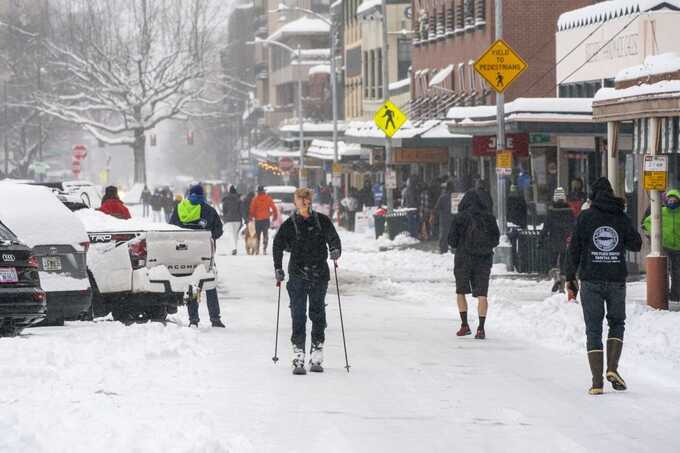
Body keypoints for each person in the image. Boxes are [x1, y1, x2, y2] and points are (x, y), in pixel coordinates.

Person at [565, 177, 641, 395]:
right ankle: (612, 368)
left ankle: (597, 383)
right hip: (616, 279)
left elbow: (574, 250)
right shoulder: (620, 216)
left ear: (592, 196)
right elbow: (636, 244)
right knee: (617, 323)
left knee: (593, 329)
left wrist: (570, 277)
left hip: (590, 280)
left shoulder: (585, 217)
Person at [272, 187, 341, 374]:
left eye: (304, 199)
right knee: (298, 314)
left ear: (309, 201)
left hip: (319, 274)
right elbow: (277, 244)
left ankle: (317, 352)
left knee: (318, 313)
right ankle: (298, 354)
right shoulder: (290, 224)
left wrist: (335, 250)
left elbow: (334, 239)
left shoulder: (322, 221)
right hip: (297, 274)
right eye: (299, 199)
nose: (301, 202)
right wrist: (278, 267)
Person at [169, 183, 225, 328]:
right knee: (209, 283)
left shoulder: (180, 208)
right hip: (205, 252)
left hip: (184, 252)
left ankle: (193, 319)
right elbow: (218, 231)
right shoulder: (209, 210)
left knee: (191, 284)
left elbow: (170, 228)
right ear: (203, 195)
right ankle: (215, 319)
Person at [448, 190, 500, 340]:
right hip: (483, 259)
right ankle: (481, 328)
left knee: (461, 291)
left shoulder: (460, 218)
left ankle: (464, 325)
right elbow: (495, 240)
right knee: (482, 294)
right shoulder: (489, 218)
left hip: (463, 258)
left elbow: (451, 241)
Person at [643, 189, 680, 303]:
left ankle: (675, 294)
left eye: (675, 200)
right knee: (666, 271)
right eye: (670, 199)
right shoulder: (661, 211)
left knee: (677, 272)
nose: (672, 202)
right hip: (665, 246)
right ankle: (666, 293)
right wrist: (654, 234)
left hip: (678, 247)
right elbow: (646, 223)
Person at [540, 187, 575, 293]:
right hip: (566, 240)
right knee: (564, 263)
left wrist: (541, 239)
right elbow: (574, 225)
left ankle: (556, 277)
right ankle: (562, 287)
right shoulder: (569, 211)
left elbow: (546, 227)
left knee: (553, 262)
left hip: (554, 239)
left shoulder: (551, 211)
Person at [248, 185, 278, 255]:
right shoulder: (268, 198)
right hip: (266, 219)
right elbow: (273, 207)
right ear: (263, 191)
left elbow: (252, 209)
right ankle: (264, 249)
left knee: (257, 235)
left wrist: (251, 216)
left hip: (258, 220)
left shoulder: (255, 199)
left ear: (258, 192)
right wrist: (275, 216)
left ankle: (257, 249)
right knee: (265, 234)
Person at [222, 185, 243, 255]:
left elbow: (224, 209)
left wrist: (224, 217)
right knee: (235, 234)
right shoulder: (238, 200)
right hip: (237, 220)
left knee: (230, 234)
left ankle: (233, 248)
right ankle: (235, 248)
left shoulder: (226, 199)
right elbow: (241, 210)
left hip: (229, 219)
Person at [435, 181, 454, 254]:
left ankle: (443, 249)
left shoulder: (442, 196)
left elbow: (437, 207)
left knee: (444, 234)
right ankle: (454, 248)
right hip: (454, 218)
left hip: (444, 218)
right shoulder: (456, 196)